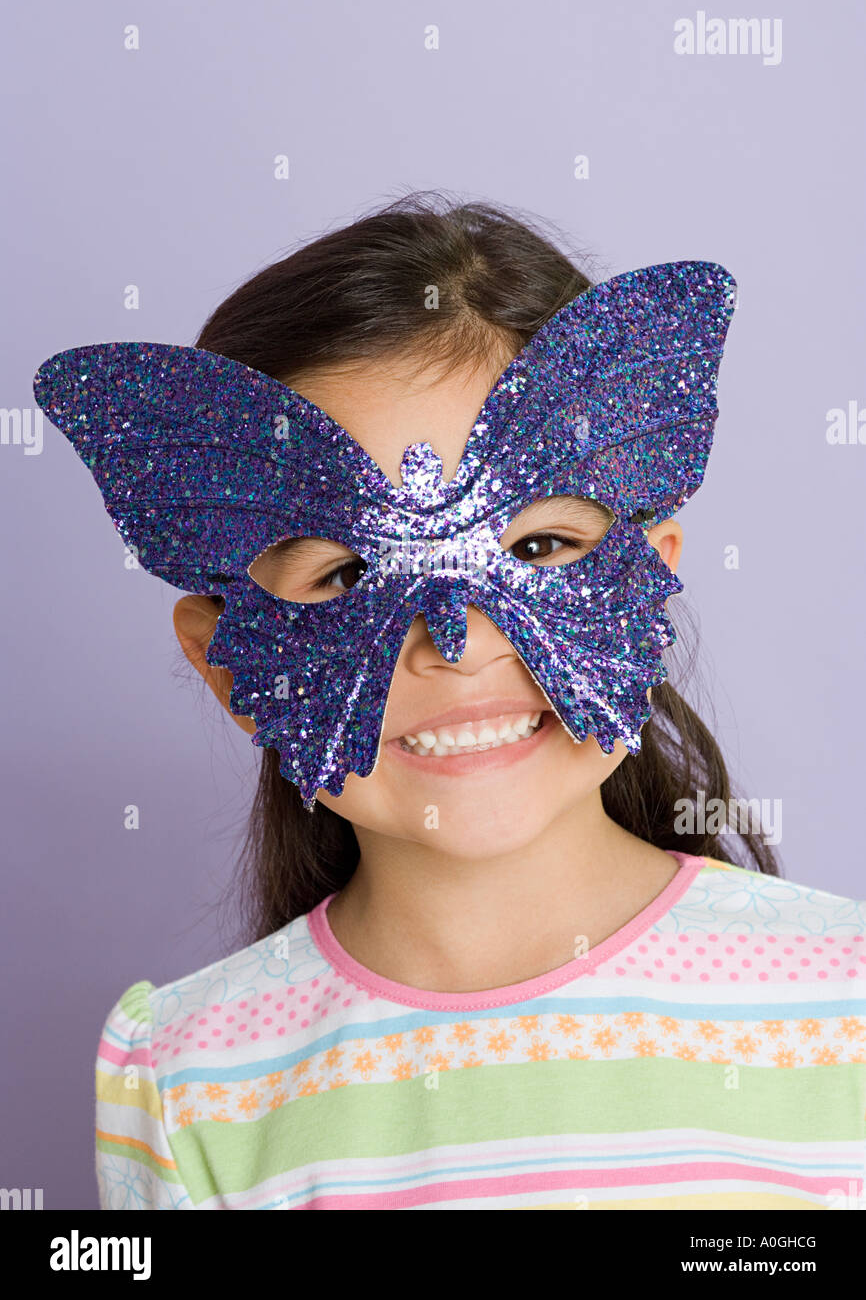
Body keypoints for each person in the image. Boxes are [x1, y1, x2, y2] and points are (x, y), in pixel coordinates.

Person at [38, 192, 865, 1210]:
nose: (456, 640)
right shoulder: (187, 1084)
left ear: (646, 584)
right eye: (346, 577)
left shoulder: (840, 1004)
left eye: (534, 550)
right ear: (229, 668)